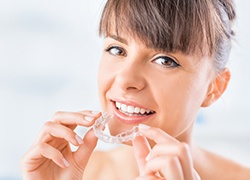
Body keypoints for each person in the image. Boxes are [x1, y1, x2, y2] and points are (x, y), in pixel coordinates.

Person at [21, 0, 250, 179]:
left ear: (214, 88)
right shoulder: (64, 173)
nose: (125, 80)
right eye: (117, 50)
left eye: (165, 61)